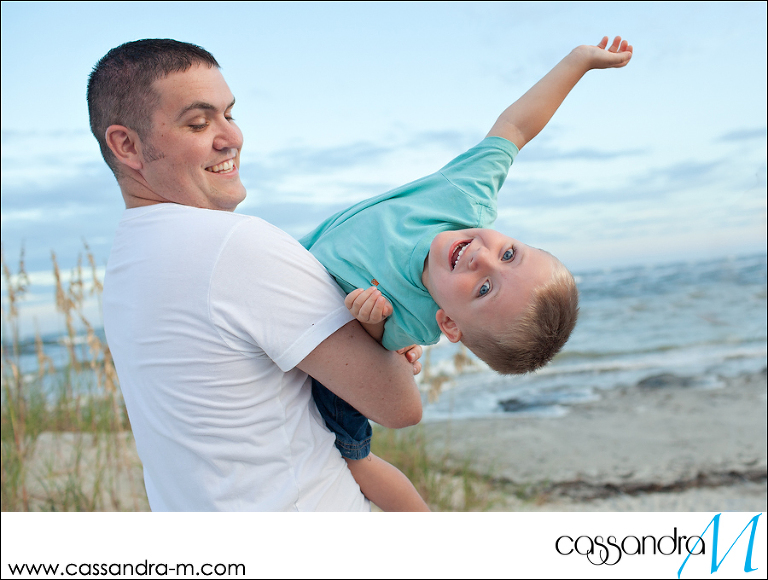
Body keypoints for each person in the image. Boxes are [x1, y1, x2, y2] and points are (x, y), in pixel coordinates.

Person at [89, 39, 424, 511]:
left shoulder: (128, 260)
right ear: (126, 145)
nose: (231, 137)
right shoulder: (235, 244)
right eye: (199, 122)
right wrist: (388, 340)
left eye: (230, 114)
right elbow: (400, 406)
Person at [301, 36, 633, 511]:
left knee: (354, 456)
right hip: (297, 260)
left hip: (328, 374)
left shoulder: (411, 320)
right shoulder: (463, 199)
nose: (484, 258)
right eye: (510, 254)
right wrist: (578, 63)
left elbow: (373, 355)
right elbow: (516, 126)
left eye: (484, 289)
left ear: (449, 324)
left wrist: (371, 323)